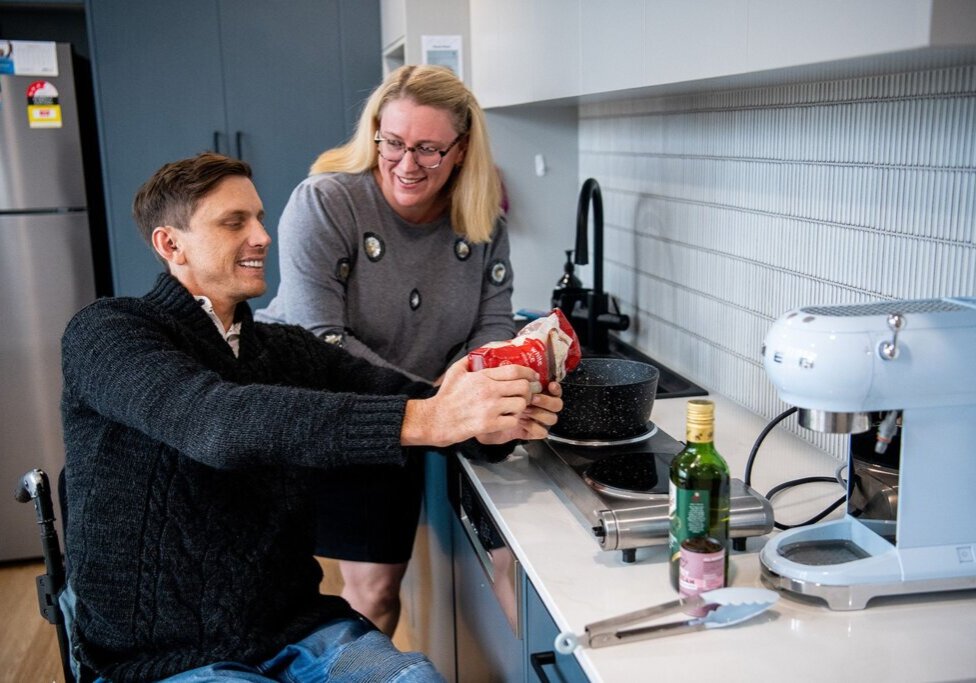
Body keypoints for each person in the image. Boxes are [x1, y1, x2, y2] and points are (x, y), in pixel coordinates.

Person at [59, 152, 562, 682]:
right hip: (160, 655)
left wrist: (494, 422)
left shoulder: (288, 350)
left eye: (258, 218)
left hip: (292, 628)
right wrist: (428, 418)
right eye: (235, 222)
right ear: (170, 244)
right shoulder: (107, 333)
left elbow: (407, 396)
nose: (262, 236)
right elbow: (216, 422)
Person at [255, 65, 515, 635]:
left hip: (423, 413)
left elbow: (491, 330)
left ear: (461, 149)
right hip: (332, 407)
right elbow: (318, 340)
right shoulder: (326, 201)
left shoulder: (479, 223)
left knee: (411, 583)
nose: (405, 162)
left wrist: (479, 391)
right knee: (336, 590)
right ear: (373, 133)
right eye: (392, 142)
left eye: (427, 148)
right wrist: (446, 408)